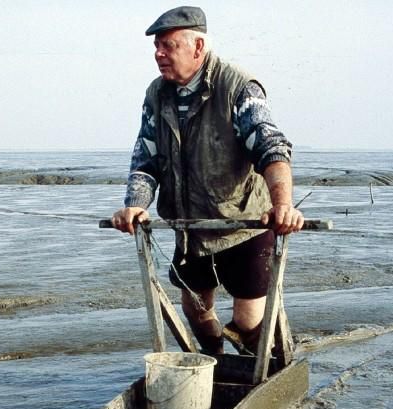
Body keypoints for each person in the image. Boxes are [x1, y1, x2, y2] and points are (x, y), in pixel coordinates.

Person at [110, 6, 304, 356]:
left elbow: (271, 148)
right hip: (192, 227)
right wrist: (134, 206)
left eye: (168, 46)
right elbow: (146, 158)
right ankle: (213, 366)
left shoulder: (238, 87)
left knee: (247, 322)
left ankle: (265, 366)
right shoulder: (157, 94)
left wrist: (283, 206)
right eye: (157, 47)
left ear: (198, 47)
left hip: (244, 224)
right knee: (196, 311)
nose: (158, 54)